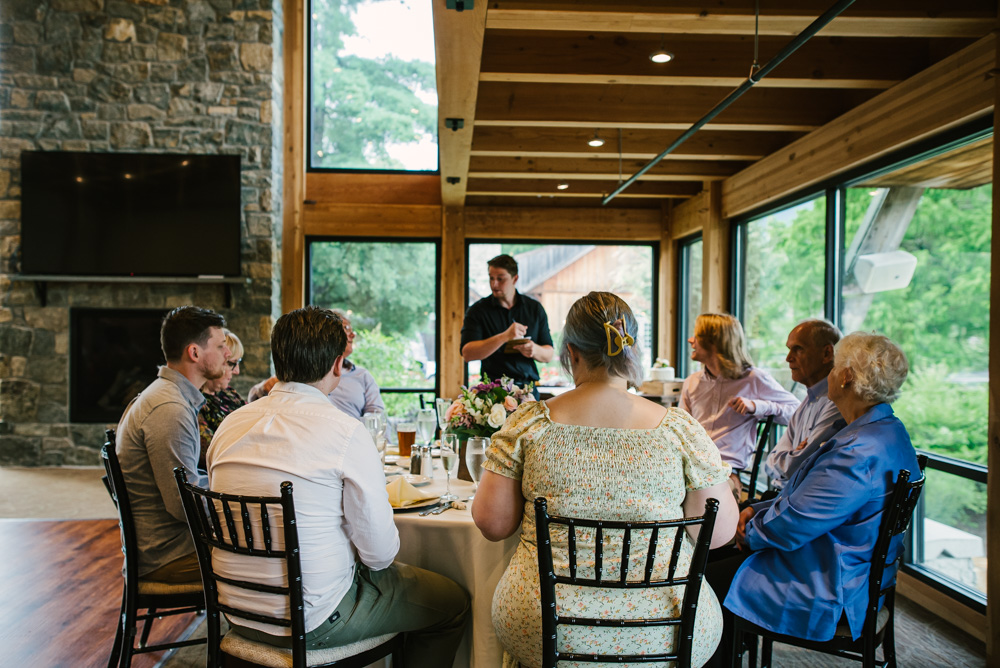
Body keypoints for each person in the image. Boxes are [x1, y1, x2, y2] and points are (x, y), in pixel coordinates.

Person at [472, 292, 739, 668]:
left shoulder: (529, 425)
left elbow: (493, 524)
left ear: (572, 354)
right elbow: (720, 533)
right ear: (630, 350)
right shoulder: (679, 430)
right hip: (668, 627)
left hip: (546, 627)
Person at [208, 306, 469, 665]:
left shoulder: (229, 426)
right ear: (337, 365)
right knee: (452, 602)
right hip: (313, 621)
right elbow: (379, 555)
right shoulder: (345, 432)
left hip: (235, 610)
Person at [705, 332, 921, 667]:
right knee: (714, 560)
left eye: (833, 367)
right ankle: (735, 647)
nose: (829, 374)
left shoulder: (856, 452)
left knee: (703, 582)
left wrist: (749, 531)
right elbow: (807, 497)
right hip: (851, 568)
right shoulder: (887, 431)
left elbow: (793, 525)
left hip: (829, 585)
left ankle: (725, 649)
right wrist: (755, 510)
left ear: (845, 376)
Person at [115, 305, 229, 584]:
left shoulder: (168, 396)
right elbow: (183, 504)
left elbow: (187, 483)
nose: (227, 354)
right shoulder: (169, 408)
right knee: (272, 558)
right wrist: (237, 507)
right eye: (220, 345)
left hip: (171, 545)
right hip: (169, 555)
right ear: (194, 353)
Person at [679, 314, 798, 492]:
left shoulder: (754, 379)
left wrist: (758, 406)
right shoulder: (692, 382)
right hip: (689, 464)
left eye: (696, 336)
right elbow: (680, 426)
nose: (690, 340)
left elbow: (797, 411)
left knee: (710, 495)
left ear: (714, 342)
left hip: (726, 469)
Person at [246, 311, 384, 419]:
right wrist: (265, 387)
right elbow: (255, 397)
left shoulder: (362, 376)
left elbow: (377, 417)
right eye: (346, 328)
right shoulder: (299, 371)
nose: (352, 335)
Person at [763, 319, 845, 489]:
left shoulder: (837, 402)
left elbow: (793, 468)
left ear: (827, 354)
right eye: (789, 349)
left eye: (798, 349)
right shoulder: (808, 400)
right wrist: (792, 455)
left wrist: (791, 456)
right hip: (782, 494)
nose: (788, 358)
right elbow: (771, 462)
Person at [461, 254, 554, 392]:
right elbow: (467, 353)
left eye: (500, 279)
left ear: (515, 279)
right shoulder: (477, 311)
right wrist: (504, 336)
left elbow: (549, 354)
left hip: (528, 390)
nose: (494, 284)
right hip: (493, 392)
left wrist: (533, 349)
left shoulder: (534, 309)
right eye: (491, 278)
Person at [197, 328, 246, 468]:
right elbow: (211, 452)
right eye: (232, 363)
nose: (237, 371)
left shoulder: (229, 393)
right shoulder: (196, 403)